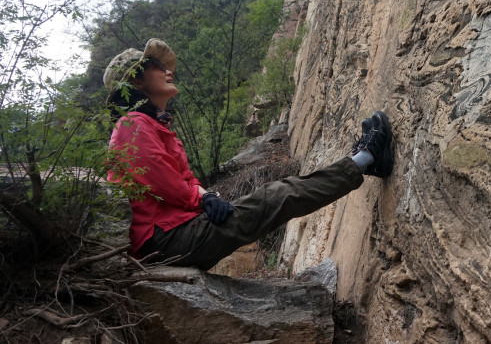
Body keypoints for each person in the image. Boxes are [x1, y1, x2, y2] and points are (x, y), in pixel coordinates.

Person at [104, 39, 393, 270]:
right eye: (155, 65)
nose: (167, 71)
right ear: (138, 83)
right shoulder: (132, 124)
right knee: (278, 195)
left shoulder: (154, 126)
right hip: (165, 239)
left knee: (277, 196)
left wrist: (204, 195)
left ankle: (363, 161)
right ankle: (366, 159)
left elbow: (186, 178)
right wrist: (202, 198)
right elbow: (162, 179)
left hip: (178, 231)